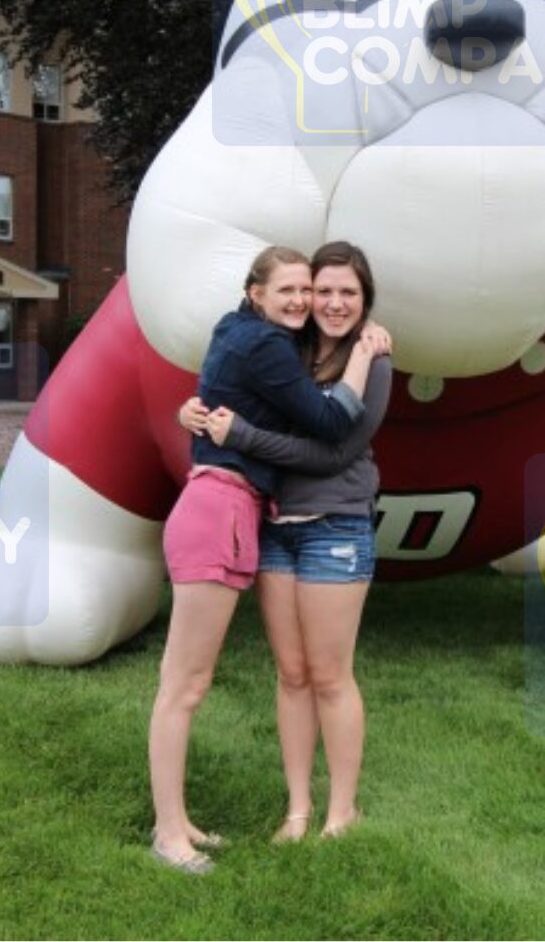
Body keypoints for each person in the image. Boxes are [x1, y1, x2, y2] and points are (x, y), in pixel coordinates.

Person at [149, 245, 387, 875]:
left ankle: (339, 812)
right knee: (253, 677)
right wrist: (195, 414)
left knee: (327, 675)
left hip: (325, 525)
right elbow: (240, 393)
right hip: (253, 519)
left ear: (365, 301)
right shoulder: (283, 347)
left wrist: (229, 430)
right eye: (313, 290)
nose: (320, 301)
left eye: (343, 292)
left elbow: (333, 447)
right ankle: (278, 813)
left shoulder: (369, 356)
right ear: (256, 293)